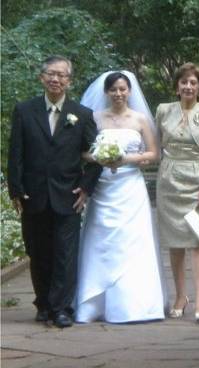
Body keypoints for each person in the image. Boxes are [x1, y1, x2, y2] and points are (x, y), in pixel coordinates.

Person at [7, 55, 103, 328]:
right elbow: (16, 153)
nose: (56, 79)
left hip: (68, 196)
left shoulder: (81, 114)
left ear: (69, 81)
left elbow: (99, 155)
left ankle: (62, 308)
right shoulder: (25, 110)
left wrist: (86, 188)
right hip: (33, 195)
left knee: (65, 254)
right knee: (38, 252)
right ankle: (43, 304)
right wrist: (16, 190)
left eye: (62, 75)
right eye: (51, 73)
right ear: (42, 77)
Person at [74, 71, 165, 323]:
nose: (118, 93)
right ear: (106, 92)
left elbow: (153, 153)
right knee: (99, 242)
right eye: (113, 89)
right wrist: (100, 157)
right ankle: (94, 304)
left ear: (129, 91)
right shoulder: (94, 118)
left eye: (123, 89)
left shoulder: (140, 120)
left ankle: (135, 305)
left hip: (130, 188)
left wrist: (125, 159)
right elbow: (83, 152)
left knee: (132, 243)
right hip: (102, 187)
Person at [155, 62, 199, 323]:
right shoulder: (163, 111)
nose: (188, 86)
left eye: (193, 82)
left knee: (198, 240)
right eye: (184, 82)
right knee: (175, 242)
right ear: (176, 86)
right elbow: (153, 143)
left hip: (198, 183)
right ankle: (180, 296)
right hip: (170, 181)